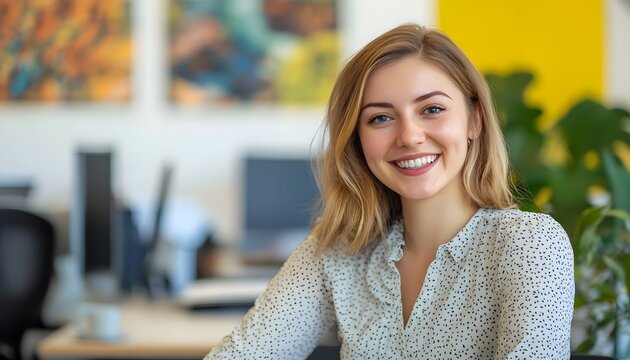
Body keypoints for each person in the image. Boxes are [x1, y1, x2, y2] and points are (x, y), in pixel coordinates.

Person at [204, 23, 574, 359]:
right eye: (381, 118)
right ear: (358, 139)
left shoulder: (530, 244)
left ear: (474, 120)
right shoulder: (339, 251)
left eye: (431, 109)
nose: (409, 136)